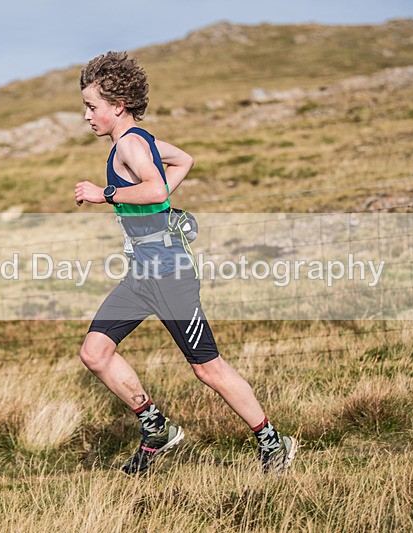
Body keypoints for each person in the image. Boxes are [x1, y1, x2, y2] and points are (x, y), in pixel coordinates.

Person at [74, 51, 296, 474]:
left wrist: (104, 194)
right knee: (95, 352)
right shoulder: (143, 140)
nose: (87, 116)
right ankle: (155, 427)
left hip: (171, 277)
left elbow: (156, 189)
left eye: (91, 106)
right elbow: (183, 162)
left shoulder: (131, 144)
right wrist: (152, 206)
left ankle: (273, 443)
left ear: (117, 105)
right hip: (143, 275)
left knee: (208, 369)